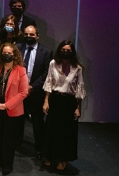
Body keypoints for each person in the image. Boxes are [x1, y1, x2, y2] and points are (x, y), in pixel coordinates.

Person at [0, 44, 29, 175]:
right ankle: (0, 159)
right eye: (4, 52)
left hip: (12, 108)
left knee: (9, 138)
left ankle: (7, 164)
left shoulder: (20, 70)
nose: (7, 55)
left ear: (14, 55)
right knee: (1, 135)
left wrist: (6, 105)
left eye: (9, 53)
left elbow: (23, 92)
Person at [42, 40, 85, 172]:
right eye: (63, 49)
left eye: (68, 50)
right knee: (51, 129)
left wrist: (78, 108)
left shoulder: (77, 68)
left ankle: (63, 159)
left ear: (72, 52)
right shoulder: (53, 64)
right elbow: (49, 81)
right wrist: (46, 101)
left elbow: (80, 88)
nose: (65, 52)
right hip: (55, 100)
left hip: (69, 102)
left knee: (66, 133)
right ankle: (49, 156)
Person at [18, 25, 53, 160]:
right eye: (26, 34)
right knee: (18, 120)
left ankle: (40, 148)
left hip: (36, 92)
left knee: (37, 122)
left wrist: (32, 87)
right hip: (19, 92)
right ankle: (17, 143)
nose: (28, 37)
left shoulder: (46, 52)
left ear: (37, 36)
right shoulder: (18, 48)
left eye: (31, 34)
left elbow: (46, 74)